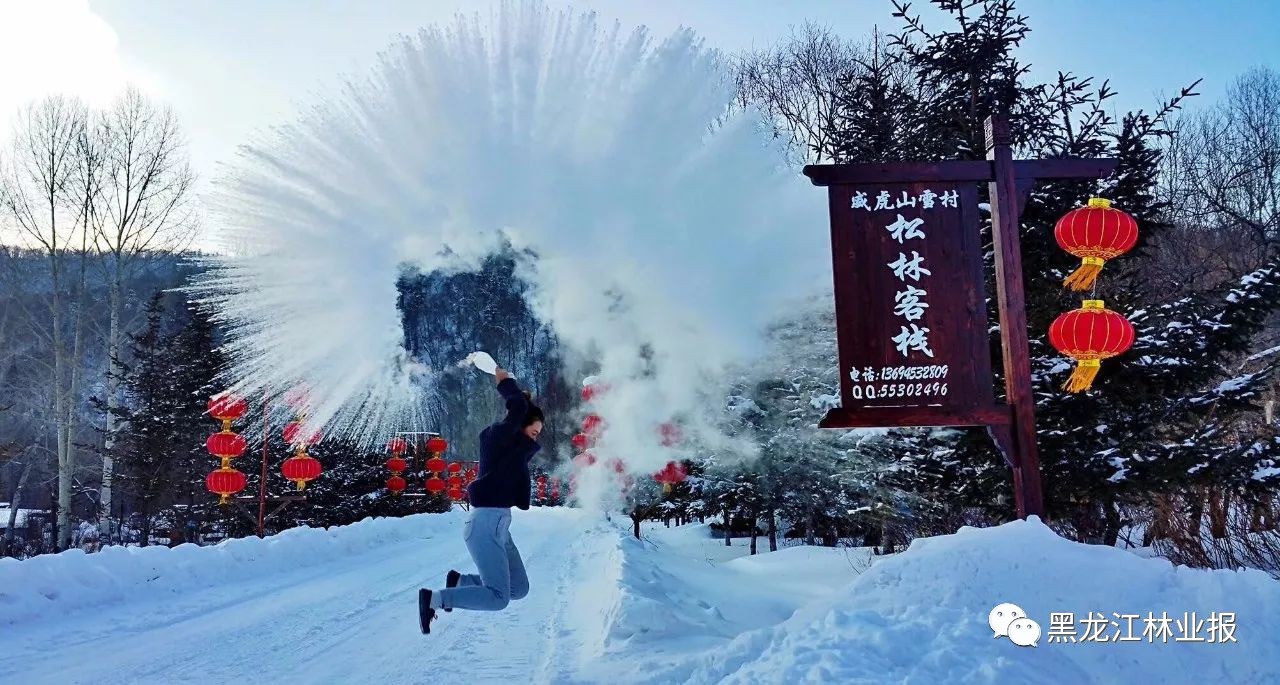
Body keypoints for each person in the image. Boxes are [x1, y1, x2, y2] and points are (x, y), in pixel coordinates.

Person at [420, 367, 543, 634]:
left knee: (518, 589)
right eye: (533, 432)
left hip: (499, 526)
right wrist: (506, 382)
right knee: (499, 599)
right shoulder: (496, 437)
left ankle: (460, 582)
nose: (535, 439)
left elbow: (520, 446)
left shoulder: (512, 453)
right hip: (484, 525)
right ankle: (435, 599)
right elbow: (518, 408)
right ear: (518, 425)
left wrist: (527, 428)